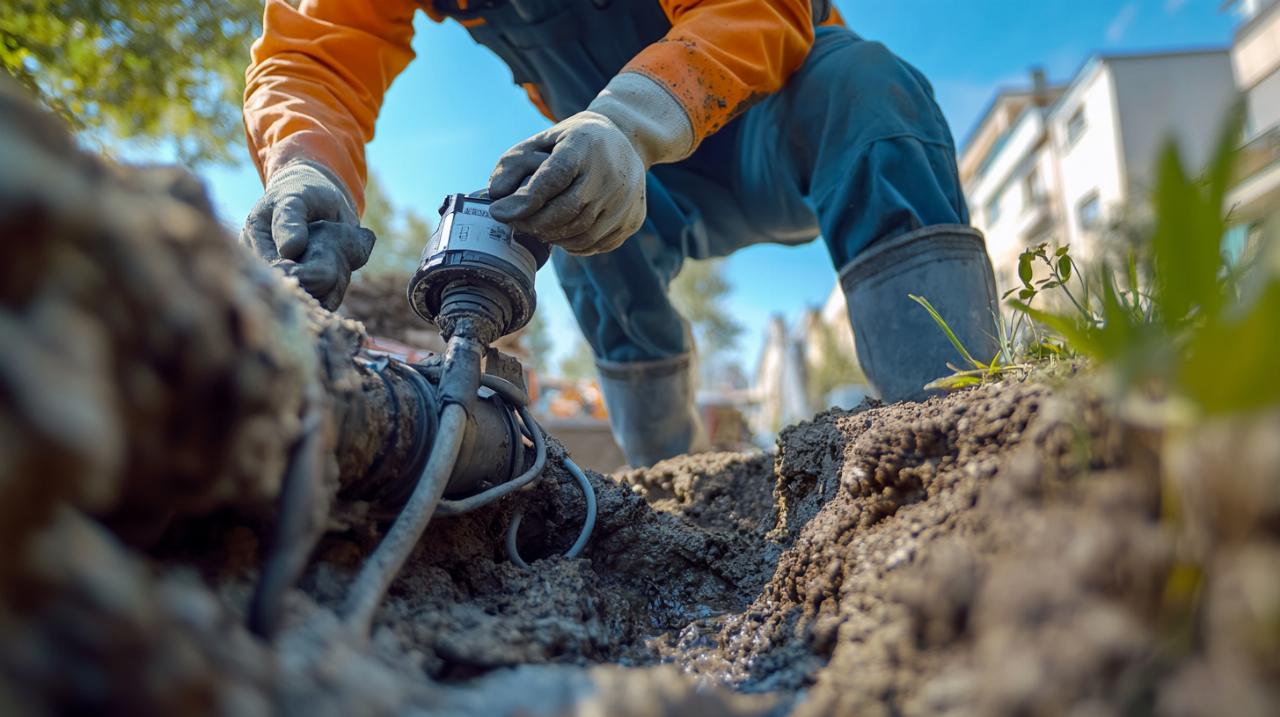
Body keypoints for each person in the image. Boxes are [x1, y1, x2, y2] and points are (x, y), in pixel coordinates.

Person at [240, 0, 1000, 468]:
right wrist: (306, 170)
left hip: (790, 125)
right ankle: (668, 480)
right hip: (625, 185)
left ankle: (957, 427)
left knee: (872, 85)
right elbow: (312, 55)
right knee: (565, 215)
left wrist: (632, 122)